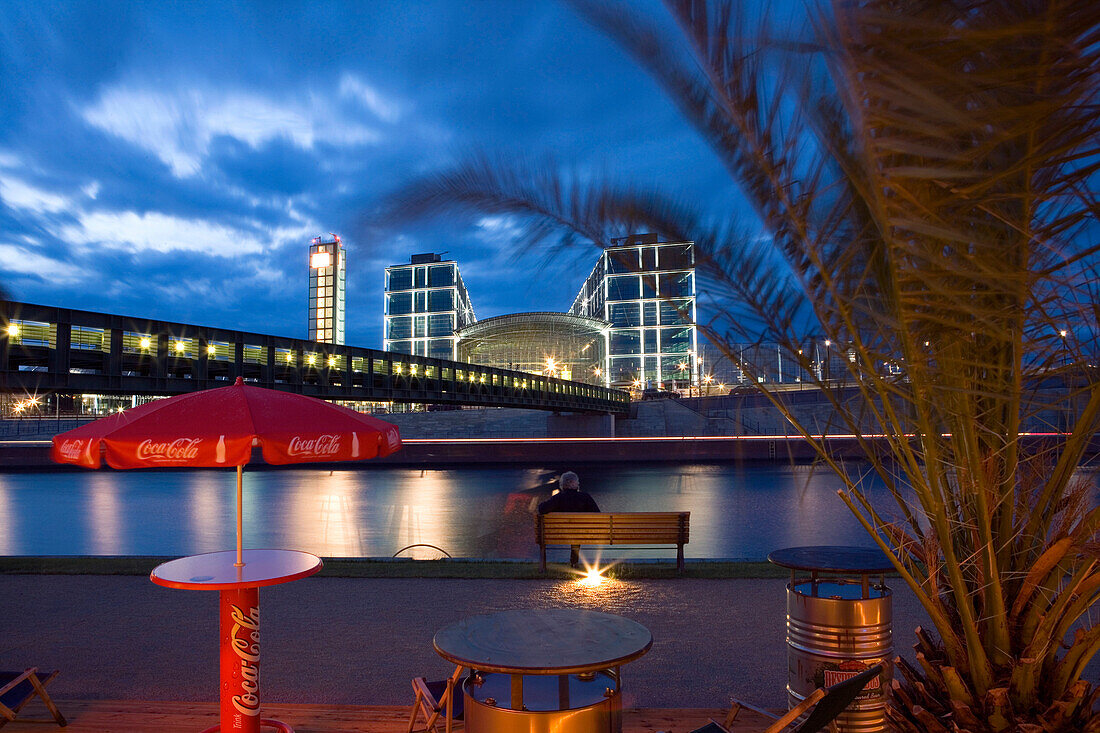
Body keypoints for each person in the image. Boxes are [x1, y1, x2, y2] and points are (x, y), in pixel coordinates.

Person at [538, 471, 600, 566]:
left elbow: (542, 509)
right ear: (572, 483)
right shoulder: (585, 497)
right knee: (577, 531)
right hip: (582, 533)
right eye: (577, 481)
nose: (578, 483)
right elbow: (598, 515)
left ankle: (545, 566)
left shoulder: (558, 498)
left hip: (560, 533)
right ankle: (574, 562)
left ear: (563, 484)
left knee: (574, 531)